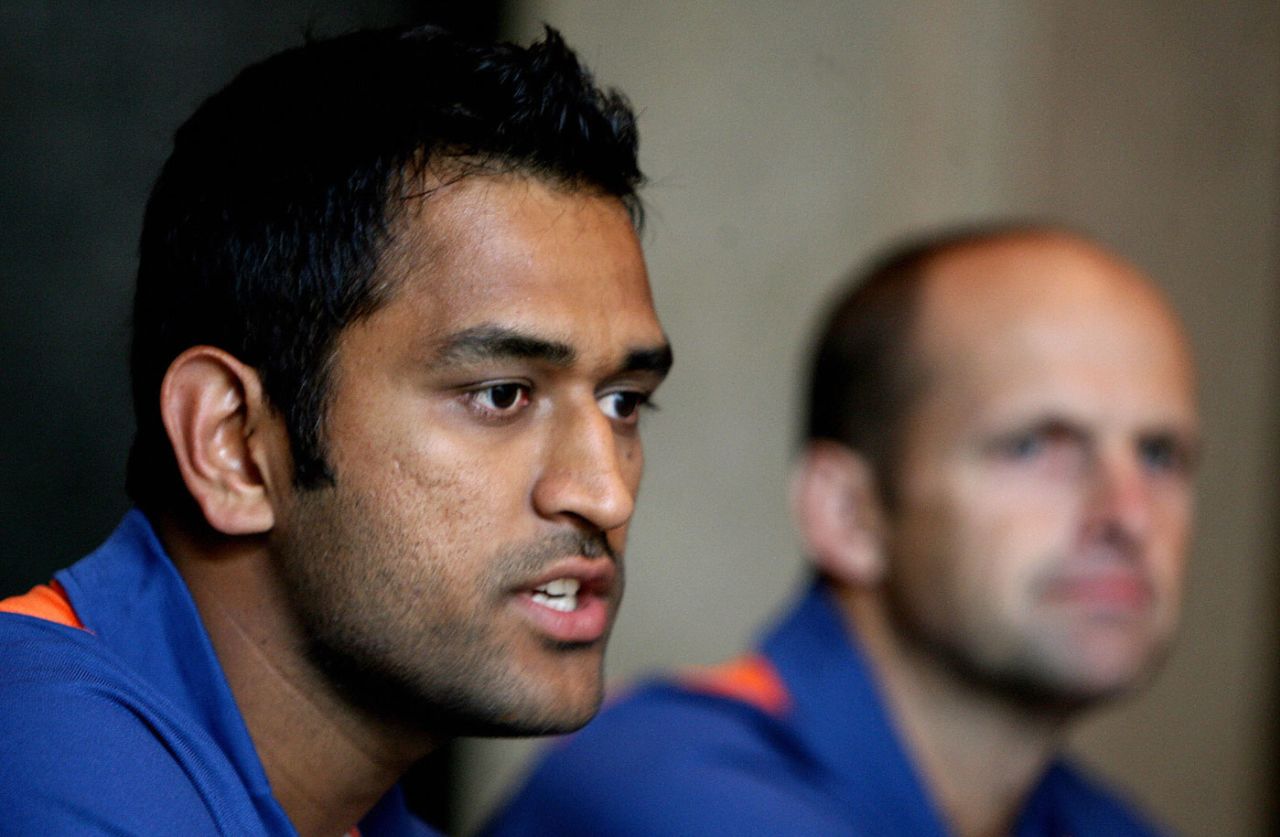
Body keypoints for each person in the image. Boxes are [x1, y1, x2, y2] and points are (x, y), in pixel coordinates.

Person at [0, 24, 671, 836]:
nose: (604, 492)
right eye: (501, 395)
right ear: (233, 444)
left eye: (622, 401)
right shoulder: (41, 755)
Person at [485, 226, 1198, 836]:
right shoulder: (661, 786)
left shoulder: (1097, 820)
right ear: (848, 513)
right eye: (1037, 446)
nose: (1130, 515)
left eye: (1160, 454)